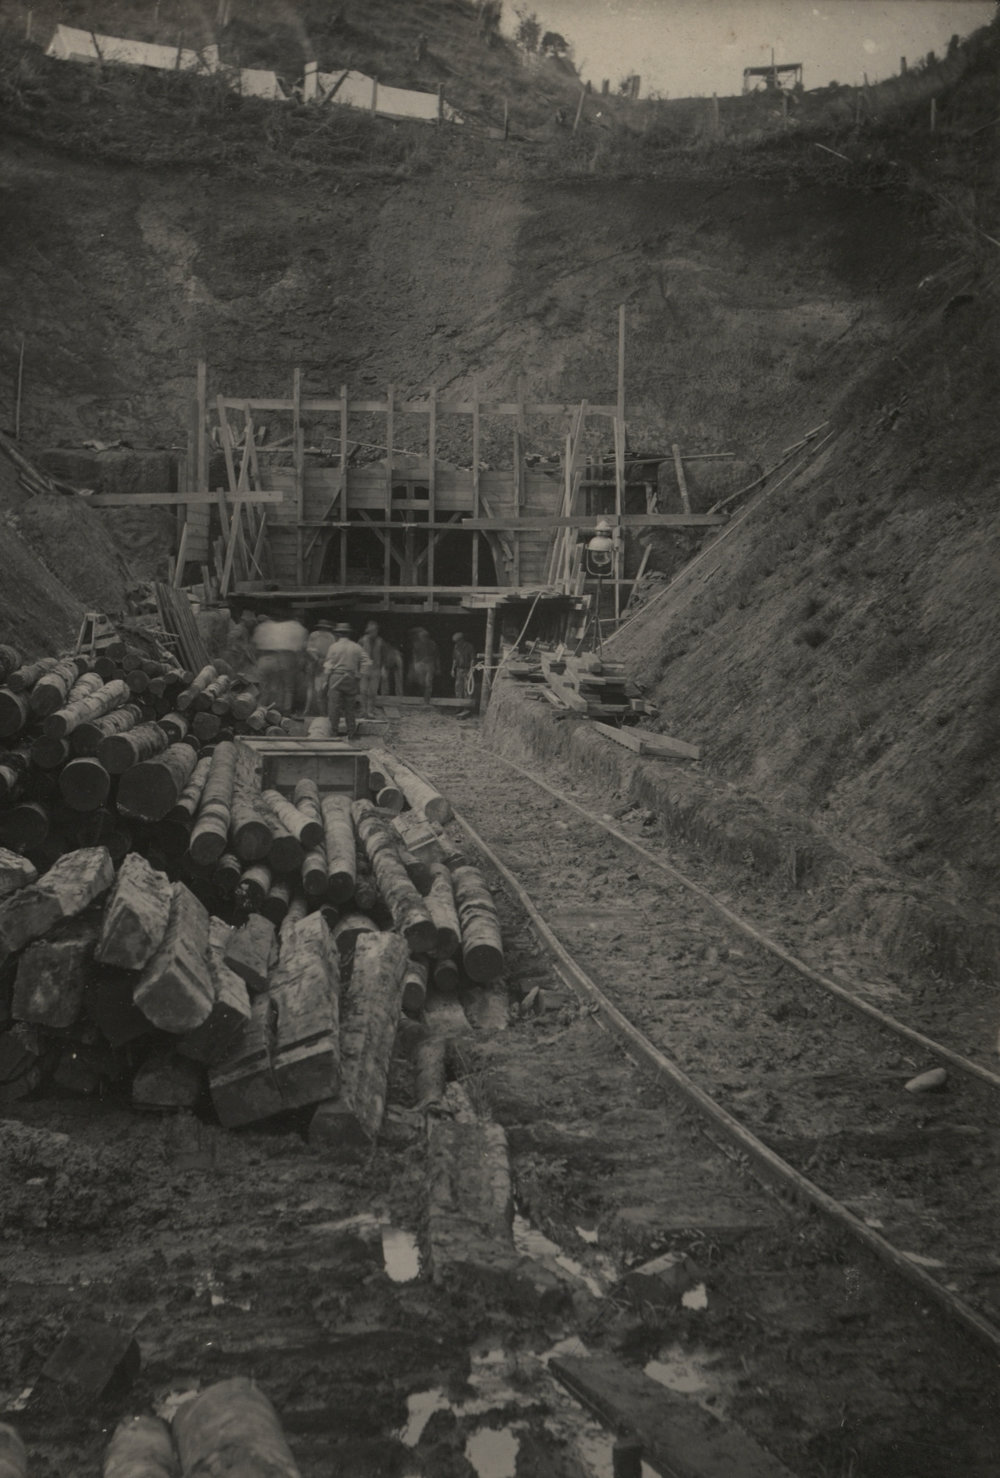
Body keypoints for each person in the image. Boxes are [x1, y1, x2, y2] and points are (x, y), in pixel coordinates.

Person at [253, 612, 308, 713]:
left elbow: (256, 646)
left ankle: (261, 709)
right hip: (286, 657)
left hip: (265, 658)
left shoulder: (264, 627)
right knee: (287, 687)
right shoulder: (297, 628)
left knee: (265, 687)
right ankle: (285, 710)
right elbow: (300, 649)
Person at [322, 622, 365, 740]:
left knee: (334, 707)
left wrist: (325, 681)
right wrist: (358, 676)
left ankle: (333, 733)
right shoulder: (357, 647)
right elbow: (364, 663)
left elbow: (328, 665)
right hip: (350, 678)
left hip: (336, 677)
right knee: (350, 707)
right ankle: (351, 733)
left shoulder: (333, 647)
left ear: (338, 634)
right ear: (349, 634)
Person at [304, 619, 335, 717]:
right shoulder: (331, 637)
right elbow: (332, 653)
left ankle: (308, 709)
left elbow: (309, 649)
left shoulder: (314, 635)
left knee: (311, 687)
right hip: (323, 663)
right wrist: (322, 660)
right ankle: (320, 711)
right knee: (321, 688)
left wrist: (316, 659)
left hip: (314, 662)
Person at [359, 620, 385, 720]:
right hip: (364, 668)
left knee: (373, 692)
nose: (373, 633)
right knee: (363, 690)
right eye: (371, 631)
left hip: (376, 669)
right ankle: (363, 711)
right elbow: (357, 655)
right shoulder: (362, 640)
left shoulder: (380, 641)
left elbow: (384, 656)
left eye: (375, 630)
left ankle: (370, 711)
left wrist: (383, 668)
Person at [409, 627, 439, 704]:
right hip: (420, 665)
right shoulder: (417, 644)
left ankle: (427, 700)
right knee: (421, 682)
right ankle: (421, 698)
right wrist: (415, 666)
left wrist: (438, 667)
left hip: (430, 664)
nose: (423, 638)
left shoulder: (432, 644)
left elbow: (436, 656)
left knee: (428, 682)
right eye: (421, 637)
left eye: (424, 637)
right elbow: (414, 656)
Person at [451, 631, 475, 700]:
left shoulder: (469, 647)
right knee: (458, 687)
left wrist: (471, 670)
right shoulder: (456, 647)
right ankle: (459, 705)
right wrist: (452, 669)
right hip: (459, 670)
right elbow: (454, 659)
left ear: (461, 640)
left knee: (467, 687)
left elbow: (472, 659)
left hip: (467, 670)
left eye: (457, 641)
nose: (456, 643)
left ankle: (466, 706)